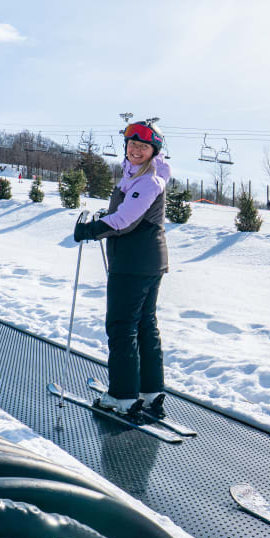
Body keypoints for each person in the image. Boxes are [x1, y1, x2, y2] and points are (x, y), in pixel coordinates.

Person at [73, 120, 171, 417]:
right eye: (132, 145)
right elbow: (127, 211)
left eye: (143, 146)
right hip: (145, 260)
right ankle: (149, 390)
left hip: (133, 263)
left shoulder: (148, 180)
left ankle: (123, 396)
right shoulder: (137, 175)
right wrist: (106, 215)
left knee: (122, 326)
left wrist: (91, 230)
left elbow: (125, 219)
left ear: (153, 151)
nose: (136, 150)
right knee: (143, 324)